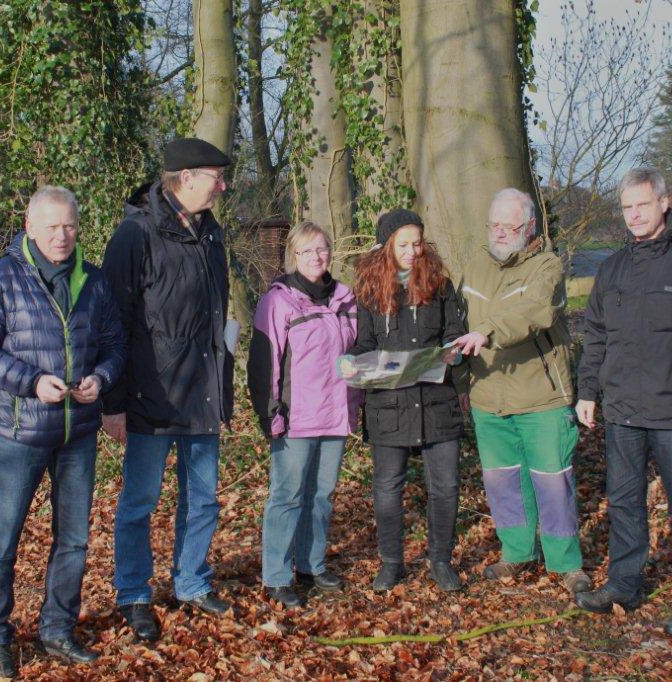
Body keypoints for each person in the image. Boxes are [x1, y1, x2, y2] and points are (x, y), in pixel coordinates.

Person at [0, 186, 125, 678]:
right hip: (20, 433)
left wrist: (104, 378)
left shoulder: (93, 281)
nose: (62, 235)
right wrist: (31, 382)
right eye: (51, 226)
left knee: (73, 540)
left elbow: (116, 346)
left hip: (78, 434)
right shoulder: (1, 280)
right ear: (30, 227)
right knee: (3, 539)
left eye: (70, 225)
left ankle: (57, 629)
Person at [574, 167, 672, 637]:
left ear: (664, 203)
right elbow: (597, 336)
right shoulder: (613, 268)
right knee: (624, 502)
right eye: (626, 208)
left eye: (642, 205)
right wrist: (588, 391)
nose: (634, 216)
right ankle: (624, 583)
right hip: (623, 408)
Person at [101, 138, 235, 643]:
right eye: (216, 178)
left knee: (202, 501)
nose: (222, 186)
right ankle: (134, 593)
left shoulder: (210, 235)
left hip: (201, 395)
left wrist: (223, 391)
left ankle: (192, 582)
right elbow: (112, 324)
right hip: (149, 399)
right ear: (186, 178)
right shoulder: (134, 235)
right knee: (140, 502)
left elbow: (219, 322)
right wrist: (113, 405)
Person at [458, 188, 591, 595]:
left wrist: (488, 331)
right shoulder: (474, 267)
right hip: (487, 397)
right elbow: (456, 321)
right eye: (493, 225)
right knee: (503, 483)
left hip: (540, 397)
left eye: (508, 226)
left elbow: (534, 311)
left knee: (552, 481)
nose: (499, 233)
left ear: (529, 228)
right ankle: (517, 553)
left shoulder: (547, 266)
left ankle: (566, 562)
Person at [340, 209, 468, 592]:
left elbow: (455, 334)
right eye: (403, 244)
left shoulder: (440, 286)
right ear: (387, 247)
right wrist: (351, 361)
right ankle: (391, 562)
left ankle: (441, 560)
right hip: (389, 408)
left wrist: (454, 352)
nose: (413, 251)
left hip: (436, 404)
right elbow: (365, 344)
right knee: (386, 487)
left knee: (445, 486)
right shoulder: (369, 292)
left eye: (417, 243)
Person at [247, 222, 361, 608]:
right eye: (307, 251)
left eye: (322, 249)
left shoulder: (345, 299)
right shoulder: (278, 302)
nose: (316, 257)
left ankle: (311, 565)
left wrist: (356, 403)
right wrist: (270, 415)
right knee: (288, 495)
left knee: (322, 495)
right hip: (296, 418)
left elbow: (354, 359)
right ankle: (277, 576)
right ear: (293, 256)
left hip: (335, 415)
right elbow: (265, 365)